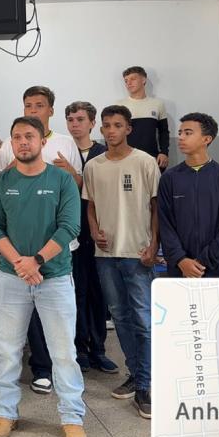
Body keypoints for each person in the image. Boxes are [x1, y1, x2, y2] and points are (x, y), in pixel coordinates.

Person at [0, 117, 87, 437]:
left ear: (43, 140)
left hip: (54, 276)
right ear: (10, 143)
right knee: (8, 349)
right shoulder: (1, 182)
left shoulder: (61, 180)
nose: (23, 142)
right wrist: (19, 262)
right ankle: (5, 412)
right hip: (10, 276)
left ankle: (72, 417)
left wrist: (37, 261)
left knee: (63, 352)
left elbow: (70, 226)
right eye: (16, 137)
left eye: (29, 136)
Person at [84, 105, 160, 419]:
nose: (111, 130)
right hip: (106, 255)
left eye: (117, 125)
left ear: (128, 128)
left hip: (138, 252)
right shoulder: (94, 166)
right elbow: (89, 206)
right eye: (106, 126)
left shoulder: (145, 162)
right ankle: (137, 373)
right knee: (120, 317)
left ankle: (147, 384)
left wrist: (154, 243)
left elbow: (157, 207)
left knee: (143, 319)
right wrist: (92, 230)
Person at [64, 102, 118, 374]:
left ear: (92, 123)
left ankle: (99, 349)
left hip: (98, 232)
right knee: (75, 292)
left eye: (80, 119)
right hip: (71, 233)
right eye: (71, 119)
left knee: (98, 293)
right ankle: (79, 349)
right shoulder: (60, 151)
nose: (75, 124)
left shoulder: (102, 153)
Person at [158, 113, 219, 278]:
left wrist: (202, 263)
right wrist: (181, 260)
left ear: (207, 139)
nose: (181, 137)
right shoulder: (169, 178)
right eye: (180, 132)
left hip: (217, 270)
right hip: (180, 270)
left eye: (188, 133)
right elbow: (165, 225)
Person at [117, 66, 169, 170]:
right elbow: (114, 132)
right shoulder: (119, 105)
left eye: (133, 79)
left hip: (152, 158)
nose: (129, 83)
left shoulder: (157, 104)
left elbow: (163, 131)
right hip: (127, 159)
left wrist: (164, 152)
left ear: (143, 80)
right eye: (126, 81)